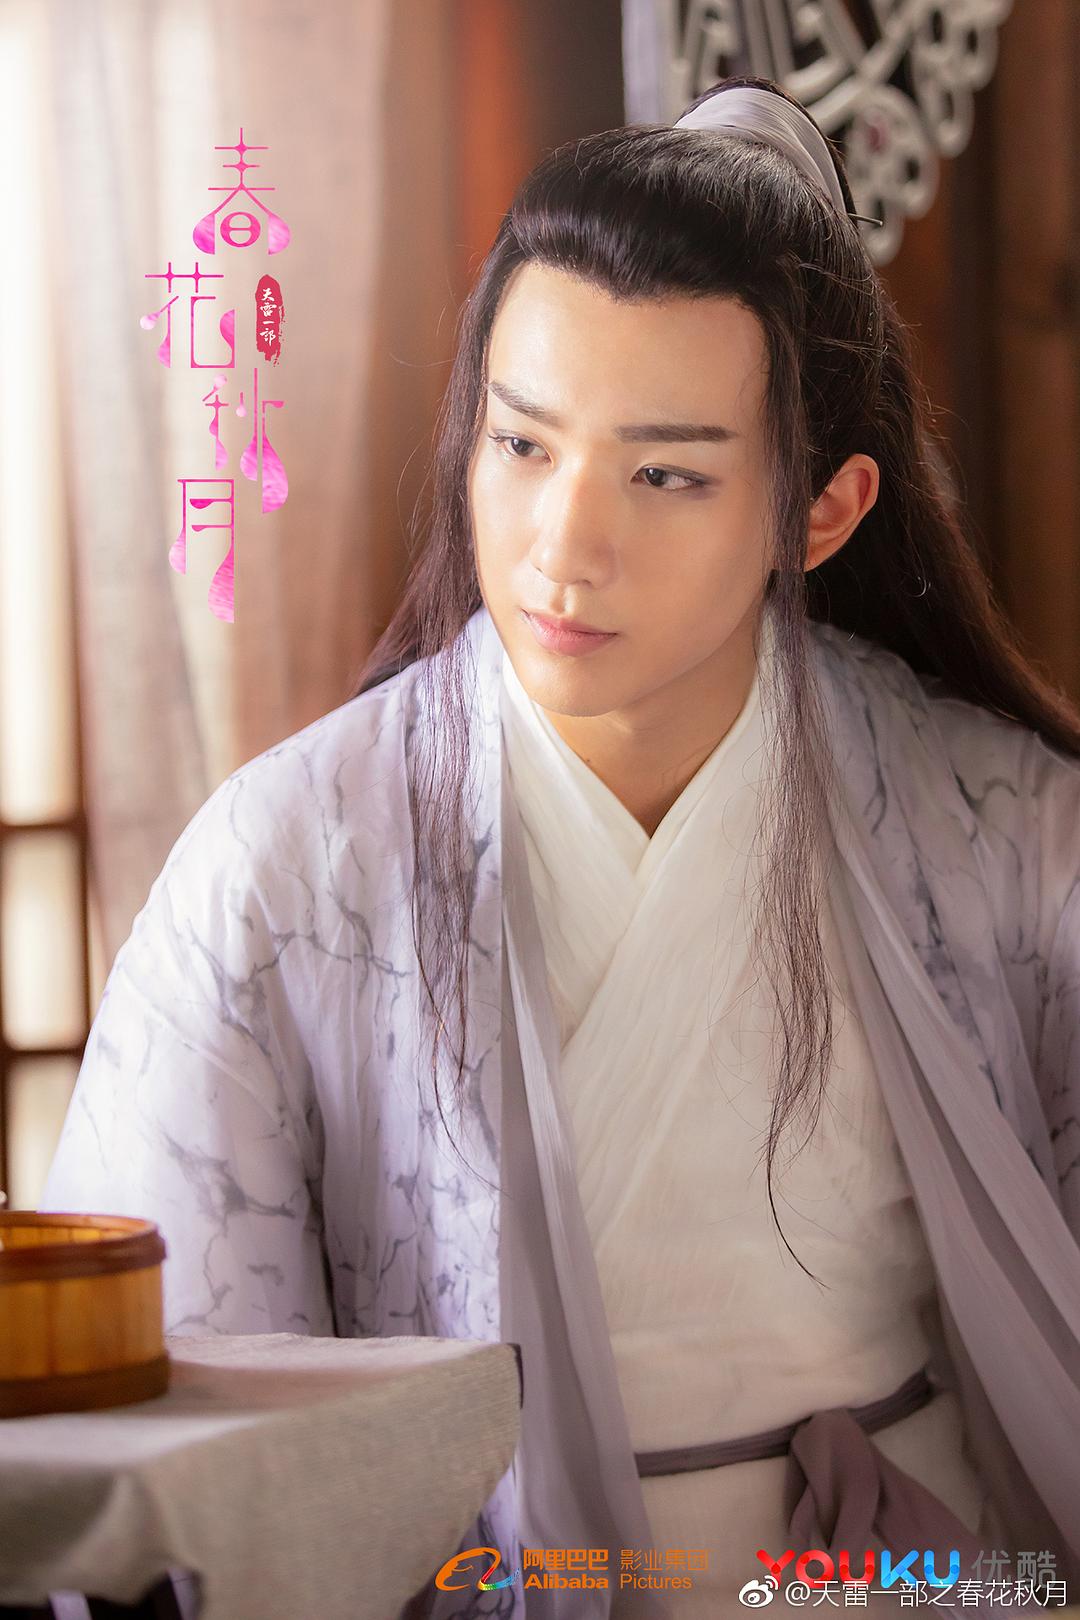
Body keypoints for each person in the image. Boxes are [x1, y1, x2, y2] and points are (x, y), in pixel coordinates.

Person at [40, 74, 1080, 1620]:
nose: (562, 549)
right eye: (524, 445)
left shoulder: (999, 829)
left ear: (821, 510)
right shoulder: (286, 868)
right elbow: (180, 1424)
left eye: (666, 474)